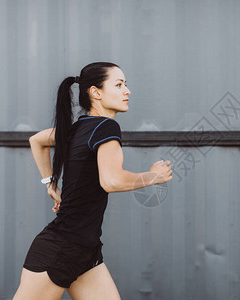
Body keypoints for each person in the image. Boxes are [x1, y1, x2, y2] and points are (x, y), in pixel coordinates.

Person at [13, 62, 173, 300]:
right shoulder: (107, 127)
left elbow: (37, 140)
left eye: (126, 85)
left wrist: (50, 184)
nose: (127, 91)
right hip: (62, 249)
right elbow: (111, 181)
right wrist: (153, 177)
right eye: (118, 85)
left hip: (85, 252)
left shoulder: (79, 128)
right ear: (96, 92)